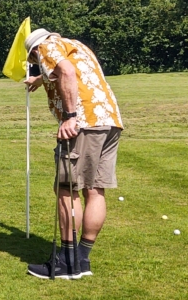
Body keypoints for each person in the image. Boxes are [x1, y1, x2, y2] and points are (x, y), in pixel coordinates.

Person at [23, 29, 123, 279]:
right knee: (95, 189)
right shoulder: (75, 45)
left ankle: (65, 263)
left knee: (67, 189)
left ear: (35, 51)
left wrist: (69, 118)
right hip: (109, 121)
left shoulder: (45, 48)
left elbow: (66, 72)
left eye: (35, 63)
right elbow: (71, 71)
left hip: (82, 123)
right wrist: (40, 80)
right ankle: (81, 259)